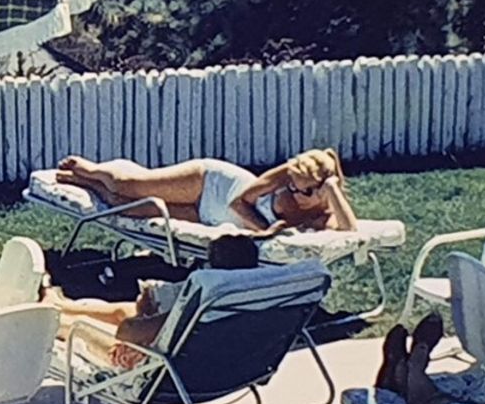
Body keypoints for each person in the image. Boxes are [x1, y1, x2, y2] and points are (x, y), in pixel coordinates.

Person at [48, 232, 259, 361]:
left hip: (161, 368)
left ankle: (46, 319)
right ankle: (58, 304)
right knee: (124, 311)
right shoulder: (252, 301)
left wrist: (143, 316)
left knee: (81, 325)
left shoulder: (200, 309)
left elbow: (128, 331)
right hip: (217, 363)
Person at [53, 149, 357, 235]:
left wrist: (331, 188)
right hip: (213, 184)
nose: (293, 191)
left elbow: (349, 229)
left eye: (302, 191)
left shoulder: (322, 211)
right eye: (291, 184)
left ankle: (88, 184)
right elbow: (239, 202)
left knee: (128, 205)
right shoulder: (286, 175)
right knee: (130, 186)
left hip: (209, 217)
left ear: (321, 190)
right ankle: (92, 170)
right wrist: (265, 230)